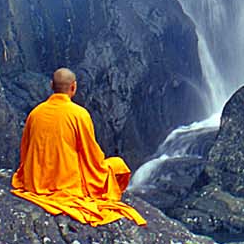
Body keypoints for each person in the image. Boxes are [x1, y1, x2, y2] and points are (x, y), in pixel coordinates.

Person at [11, 69, 146, 226]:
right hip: (67, 183)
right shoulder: (79, 114)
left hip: (34, 180)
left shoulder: (35, 113)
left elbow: (25, 150)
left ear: (51, 86)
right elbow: (91, 154)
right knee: (118, 165)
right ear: (73, 87)